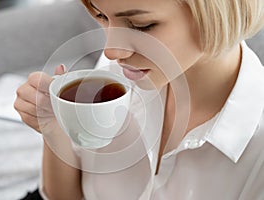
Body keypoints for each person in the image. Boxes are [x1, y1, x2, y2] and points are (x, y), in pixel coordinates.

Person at [15, 0, 264, 199]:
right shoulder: (118, 75)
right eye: (102, 16)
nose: (111, 51)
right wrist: (54, 128)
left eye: (140, 25)